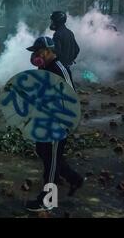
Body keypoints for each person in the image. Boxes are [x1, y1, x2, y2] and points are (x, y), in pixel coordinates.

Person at [25, 37, 84, 212]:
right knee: (42, 151)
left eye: (38, 51)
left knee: (51, 161)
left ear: (50, 51)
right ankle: (73, 179)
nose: (35, 55)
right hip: (43, 119)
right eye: (34, 52)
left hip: (58, 122)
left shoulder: (60, 69)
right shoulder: (43, 67)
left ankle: (47, 200)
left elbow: (71, 97)